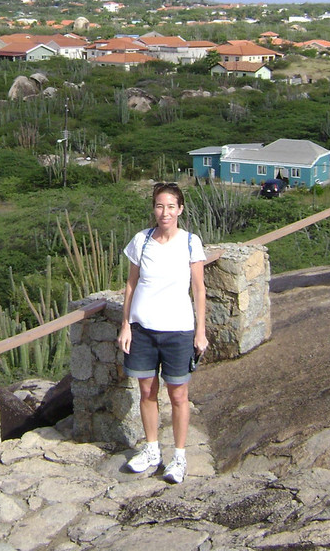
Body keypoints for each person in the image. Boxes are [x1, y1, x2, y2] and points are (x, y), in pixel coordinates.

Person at [117, 181, 208, 484]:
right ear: (153, 209)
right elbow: (131, 284)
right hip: (142, 329)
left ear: (180, 209)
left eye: (171, 206)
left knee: (178, 394)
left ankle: (179, 457)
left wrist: (200, 332)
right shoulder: (141, 241)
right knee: (146, 391)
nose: (164, 212)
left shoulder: (191, 243)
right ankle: (152, 449)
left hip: (178, 331)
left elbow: (198, 288)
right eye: (159, 205)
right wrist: (126, 324)